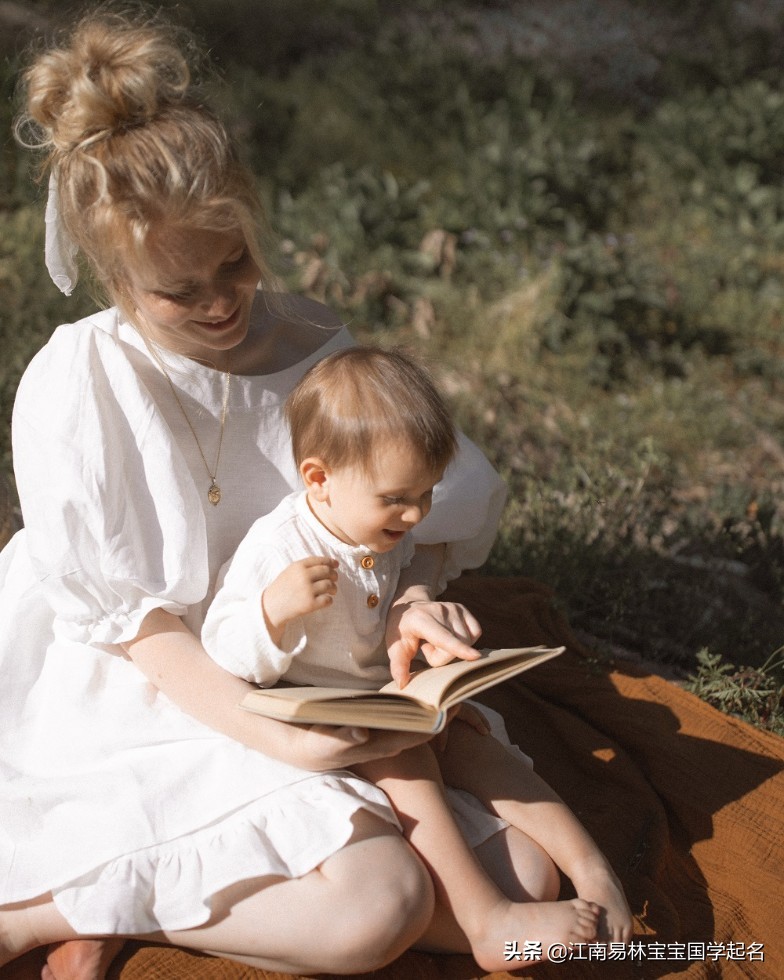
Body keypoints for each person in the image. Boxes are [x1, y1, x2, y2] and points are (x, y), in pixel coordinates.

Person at [0, 7, 512, 978]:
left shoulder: (314, 347)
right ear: (115, 276)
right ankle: (47, 903)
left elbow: (396, 516)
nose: (219, 301)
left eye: (233, 262)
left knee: (523, 872)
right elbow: (136, 627)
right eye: (177, 290)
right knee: (378, 907)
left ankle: (136, 892)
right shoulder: (81, 383)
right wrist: (282, 740)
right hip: (143, 679)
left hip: (300, 657)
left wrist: (407, 601)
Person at [201, 346, 633, 969]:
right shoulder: (279, 548)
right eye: (397, 498)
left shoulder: (380, 529)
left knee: (473, 741)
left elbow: (389, 609)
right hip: (315, 718)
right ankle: (486, 919)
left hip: (382, 697)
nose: (415, 514)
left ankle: (593, 872)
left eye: (427, 494)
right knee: (403, 756)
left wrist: (423, 638)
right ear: (319, 480)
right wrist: (271, 611)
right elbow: (222, 645)